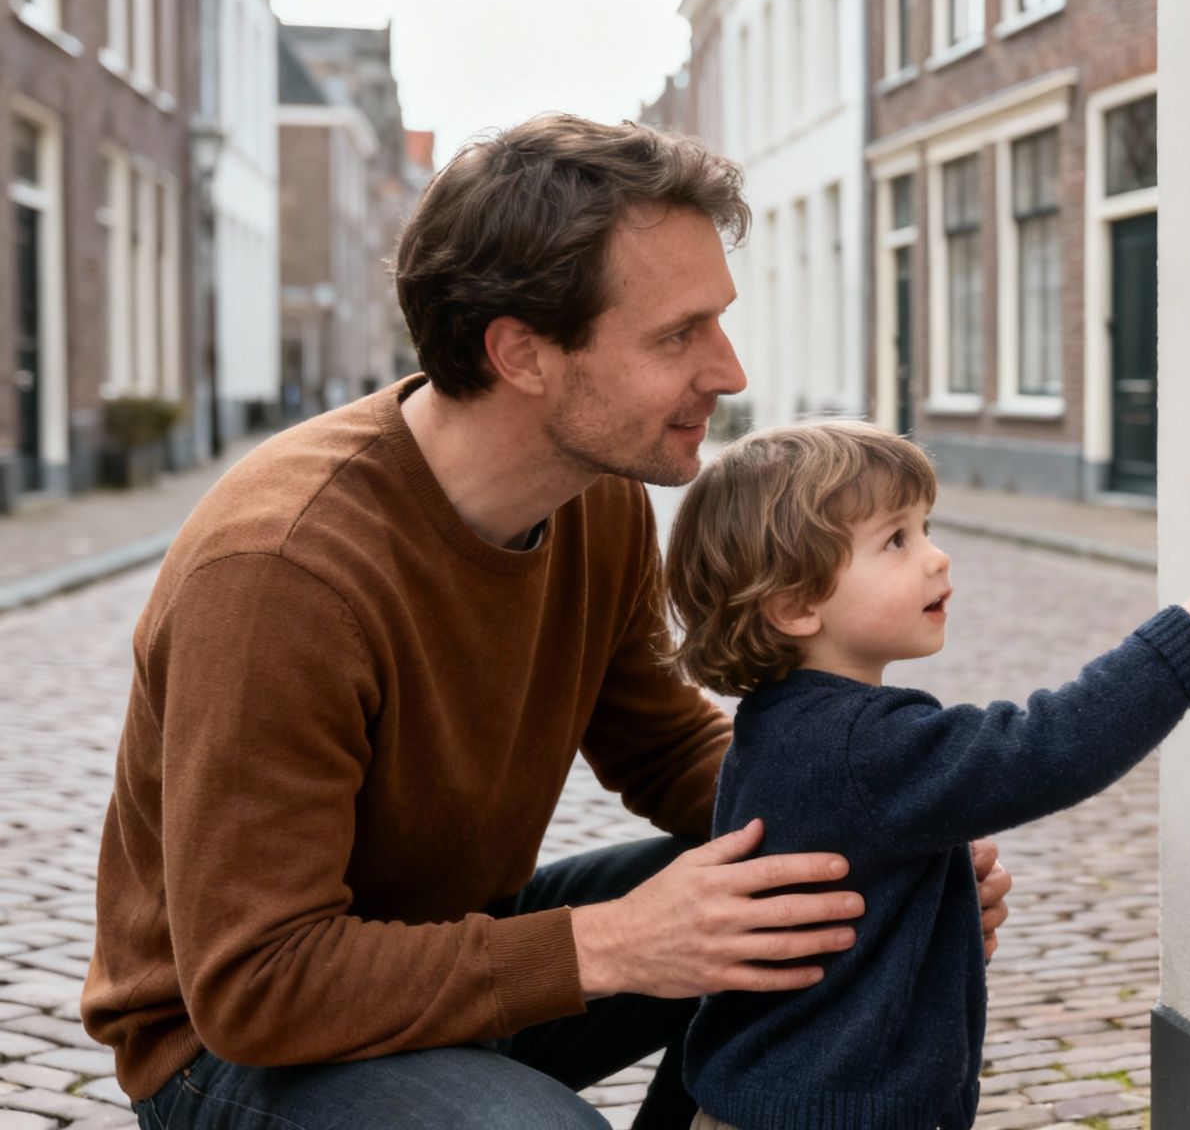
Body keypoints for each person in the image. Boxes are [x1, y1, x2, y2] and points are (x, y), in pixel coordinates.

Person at [80, 115, 1012, 1130]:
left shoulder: (591, 497)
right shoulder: (283, 573)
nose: (729, 371)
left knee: (803, 897)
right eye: (676, 335)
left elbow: (663, 745)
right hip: (230, 1045)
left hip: (449, 953)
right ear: (522, 353)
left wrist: (879, 832)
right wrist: (615, 944)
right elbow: (258, 983)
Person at [661, 421, 1190, 1130]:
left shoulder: (779, 724)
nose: (938, 558)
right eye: (896, 541)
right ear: (794, 603)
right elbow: (1049, 747)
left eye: (927, 527)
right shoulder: (861, 743)